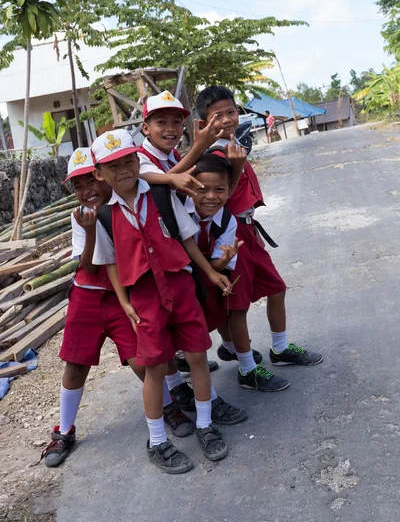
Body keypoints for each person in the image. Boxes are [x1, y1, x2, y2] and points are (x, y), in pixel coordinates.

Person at [41, 149, 194, 468]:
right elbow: (90, 267)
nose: (86, 190)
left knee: (144, 360)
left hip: (125, 296)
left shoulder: (125, 207)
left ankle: (167, 407)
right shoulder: (82, 217)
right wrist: (92, 230)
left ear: (103, 175)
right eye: (78, 185)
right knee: (75, 364)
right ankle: (64, 430)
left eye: (90, 180)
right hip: (87, 296)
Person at [91, 129, 232, 474]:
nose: (124, 170)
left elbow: (187, 240)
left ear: (137, 162)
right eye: (114, 166)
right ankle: (157, 441)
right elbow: (109, 262)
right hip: (144, 299)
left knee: (198, 356)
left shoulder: (162, 195)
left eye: (128, 161)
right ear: (99, 174)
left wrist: (211, 274)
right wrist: (124, 302)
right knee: (154, 368)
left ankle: (204, 424)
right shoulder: (105, 217)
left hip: (181, 287)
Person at [195, 86, 323, 393]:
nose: (226, 119)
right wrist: (236, 169)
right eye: (217, 115)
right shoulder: (213, 155)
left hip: (247, 229)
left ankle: (279, 348)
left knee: (275, 288)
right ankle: (247, 369)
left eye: (231, 112)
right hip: (230, 235)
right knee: (236, 306)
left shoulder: (234, 143)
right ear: (203, 124)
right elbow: (215, 200)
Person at [136, 92, 249, 424]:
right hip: (153, 263)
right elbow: (153, 184)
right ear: (145, 127)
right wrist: (196, 151)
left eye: (176, 121)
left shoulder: (171, 159)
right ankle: (185, 395)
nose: (170, 128)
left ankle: (193, 397)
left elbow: (199, 199)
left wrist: (212, 269)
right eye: (161, 121)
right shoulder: (141, 160)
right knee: (167, 336)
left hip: (179, 257)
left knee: (186, 332)